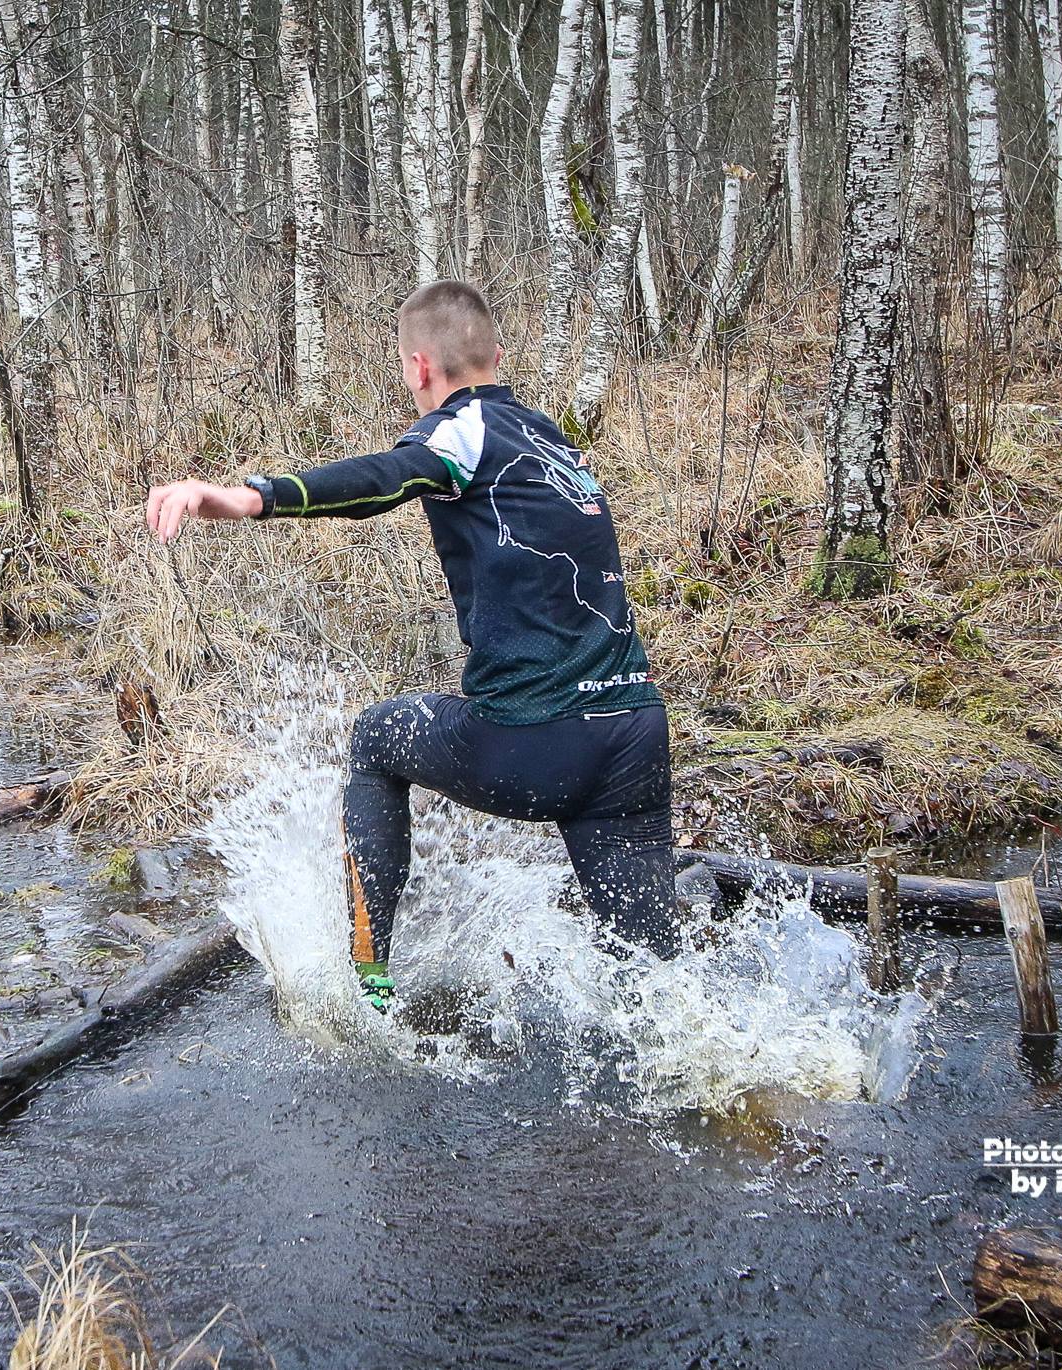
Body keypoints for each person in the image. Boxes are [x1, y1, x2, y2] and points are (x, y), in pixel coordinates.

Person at [145, 279, 677, 1010]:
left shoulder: (462, 431)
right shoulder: (553, 439)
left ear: (419, 367)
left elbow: (387, 476)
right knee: (651, 984)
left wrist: (249, 496)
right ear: (496, 355)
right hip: (634, 733)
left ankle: (368, 984)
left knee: (375, 737)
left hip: (542, 741)